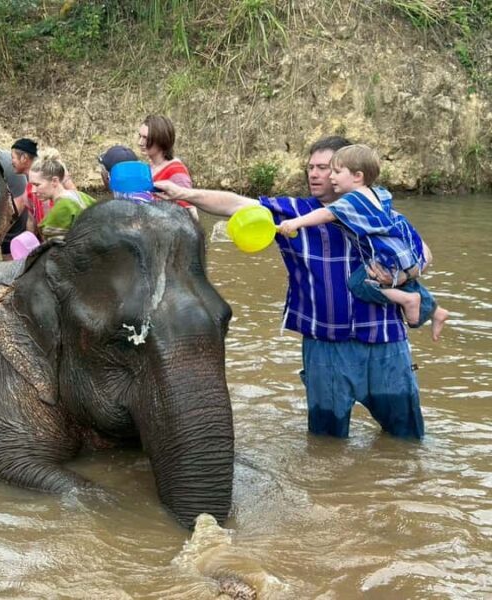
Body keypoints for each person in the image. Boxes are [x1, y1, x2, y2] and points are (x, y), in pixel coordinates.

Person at [155, 136, 426, 440]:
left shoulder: (376, 210)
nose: (314, 174)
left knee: (407, 438)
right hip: (325, 346)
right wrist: (184, 193)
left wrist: (401, 276)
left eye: (325, 168)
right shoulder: (294, 213)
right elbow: (235, 204)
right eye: (310, 167)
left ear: (351, 171)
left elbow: (423, 253)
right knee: (326, 445)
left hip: (385, 341)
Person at [277, 144, 449, 342]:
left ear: (358, 176)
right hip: (403, 247)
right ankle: (435, 311)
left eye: (337, 172)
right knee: (404, 281)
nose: (331, 177)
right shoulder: (378, 193)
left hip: (387, 254)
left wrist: (295, 223)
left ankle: (408, 300)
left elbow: (326, 214)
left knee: (359, 283)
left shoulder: (353, 200)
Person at [138, 114, 198, 220]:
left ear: (161, 140)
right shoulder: (149, 167)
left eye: (146, 138)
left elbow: (191, 214)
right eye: (140, 136)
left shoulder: (176, 171)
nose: (140, 142)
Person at [29, 150, 96, 240]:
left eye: (37, 185)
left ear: (54, 181)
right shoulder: (82, 196)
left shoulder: (59, 212)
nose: (33, 190)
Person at [0, 147, 29, 260]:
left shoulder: (10, 164)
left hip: (19, 213)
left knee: (14, 252)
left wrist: (0, 235)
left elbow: (21, 201)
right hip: (0, 211)